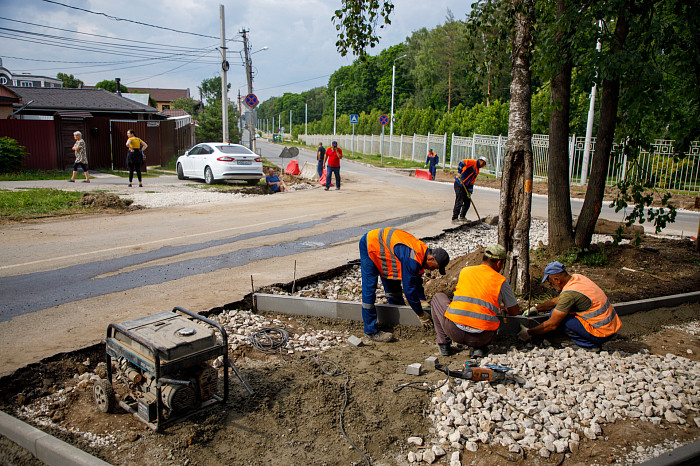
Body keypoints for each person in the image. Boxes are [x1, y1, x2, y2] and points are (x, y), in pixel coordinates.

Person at [360, 227, 450, 342]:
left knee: (393, 276)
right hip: (371, 244)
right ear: (431, 259)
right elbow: (409, 289)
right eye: (435, 267)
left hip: (385, 247)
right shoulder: (412, 258)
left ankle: (397, 314)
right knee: (369, 287)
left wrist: (422, 300)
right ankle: (370, 331)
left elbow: (416, 278)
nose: (433, 270)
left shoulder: (422, 252)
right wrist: (421, 314)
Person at [430, 244, 521, 357]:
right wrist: (503, 308)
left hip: (455, 331)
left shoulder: (465, 271)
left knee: (437, 297)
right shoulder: (501, 281)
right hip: (482, 337)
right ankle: (479, 349)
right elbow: (514, 312)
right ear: (499, 263)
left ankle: (444, 344)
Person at [518, 261, 622, 351]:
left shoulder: (569, 294)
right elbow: (558, 301)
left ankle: (589, 345)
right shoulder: (577, 278)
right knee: (558, 311)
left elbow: (551, 325)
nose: (550, 285)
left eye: (550, 282)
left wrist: (529, 333)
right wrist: (537, 308)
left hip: (601, 333)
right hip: (611, 327)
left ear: (557, 280)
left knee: (559, 319)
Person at [453, 156, 487, 224]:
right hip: (459, 183)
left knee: (467, 201)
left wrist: (470, 192)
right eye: (483, 165)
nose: (483, 166)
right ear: (481, 162)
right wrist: (459, 172)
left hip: (465, 186)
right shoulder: (472, 162)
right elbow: (462, 162)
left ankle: (462, 217)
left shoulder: (477, 171)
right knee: (459, 200)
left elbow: (472, 182)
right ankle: (454, 218)